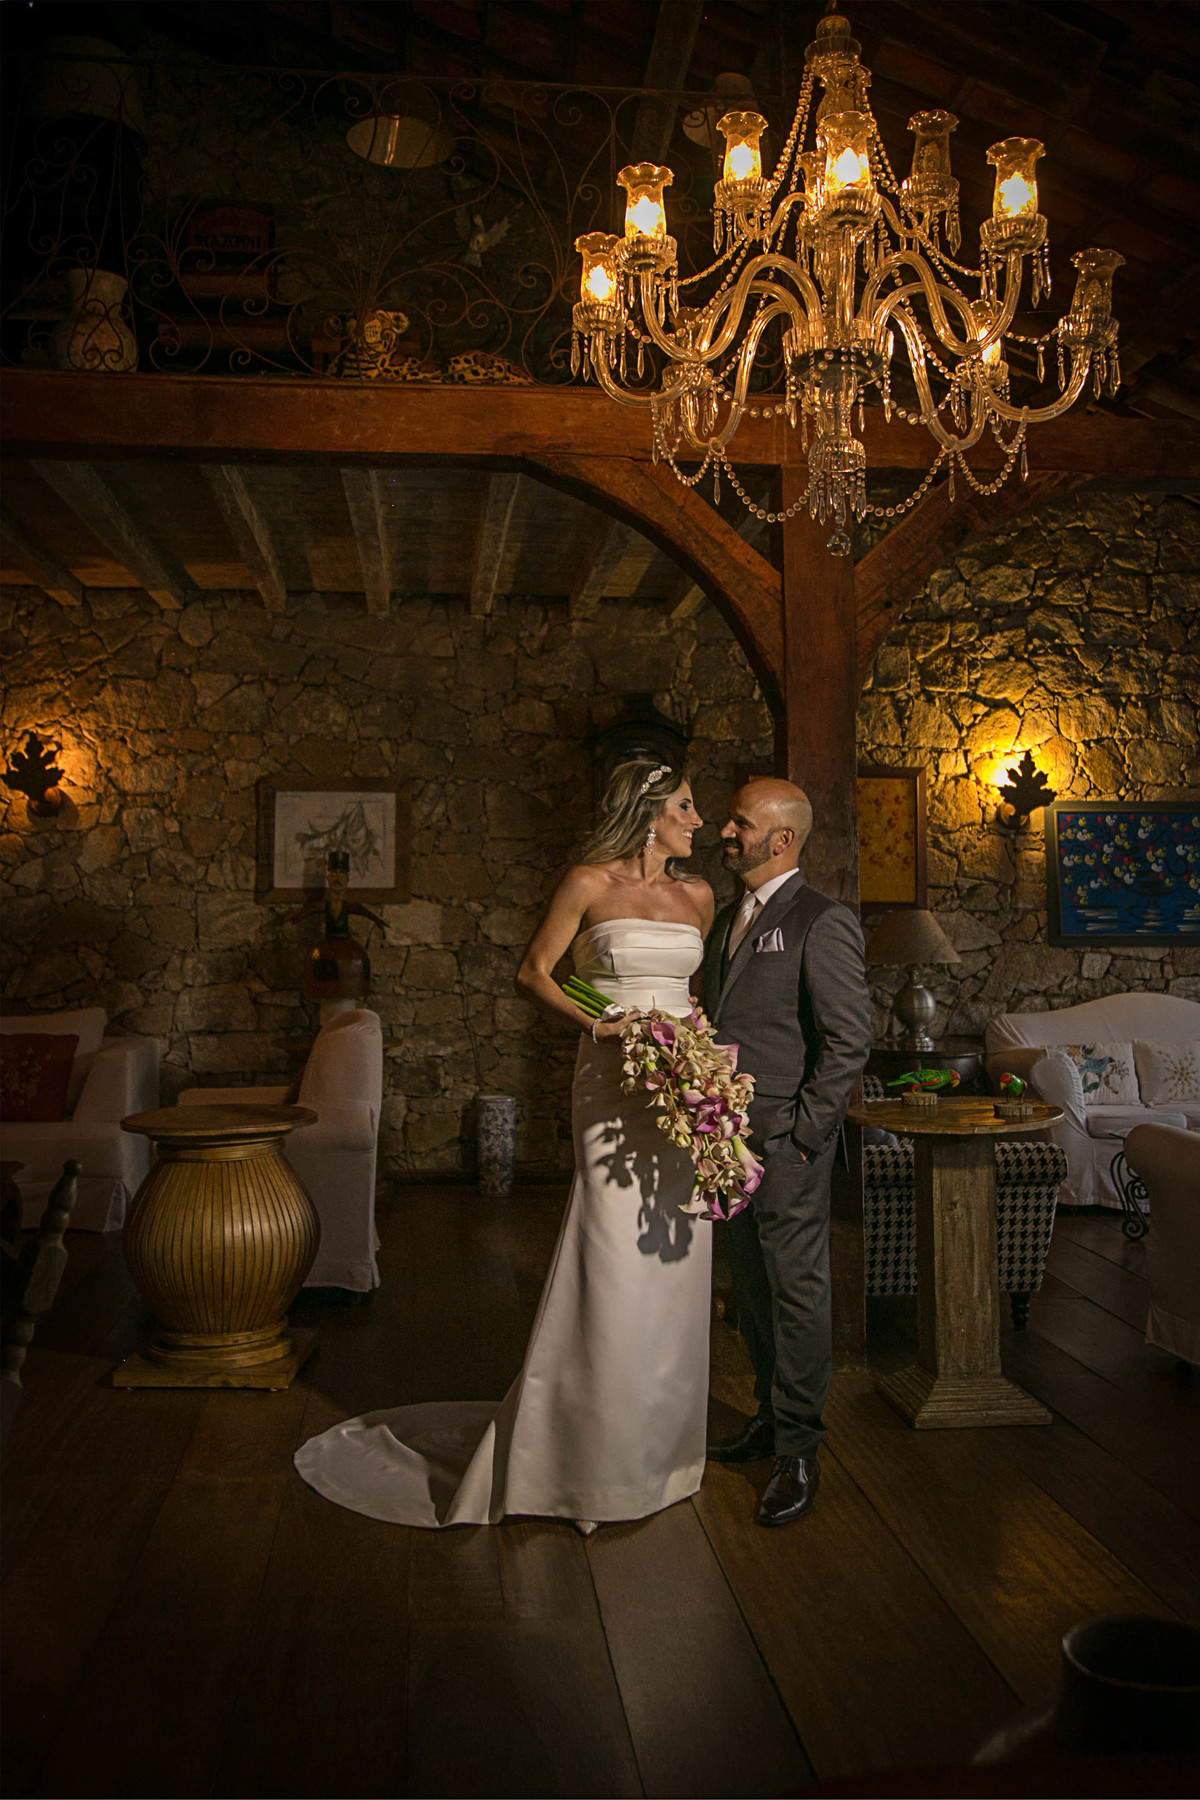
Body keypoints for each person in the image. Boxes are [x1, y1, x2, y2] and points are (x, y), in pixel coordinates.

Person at [294, 760, 716, 1534]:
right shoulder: (588, 883)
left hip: (683, 1092)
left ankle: (659, 1451)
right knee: (612, 1257)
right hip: (613, 1083)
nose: (700, 819)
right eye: (687, 806)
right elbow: (533, 974)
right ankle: (585, 1455)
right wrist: (599, 1026)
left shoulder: (699, 897)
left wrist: (702, 1067)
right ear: (649, 813)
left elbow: (692, 997)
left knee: (678, 1255)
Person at [703, 778, 871, 1526]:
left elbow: (848, 1040)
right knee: (753, 1287)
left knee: (798, 1293)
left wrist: (805, 1136)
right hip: (725, 1140)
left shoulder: (821, 921)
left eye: (741, 822)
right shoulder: (728, 917)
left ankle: (799, 1449)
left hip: (786, 1144)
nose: (724, 829)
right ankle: (769, 1418)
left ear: (781, 840)